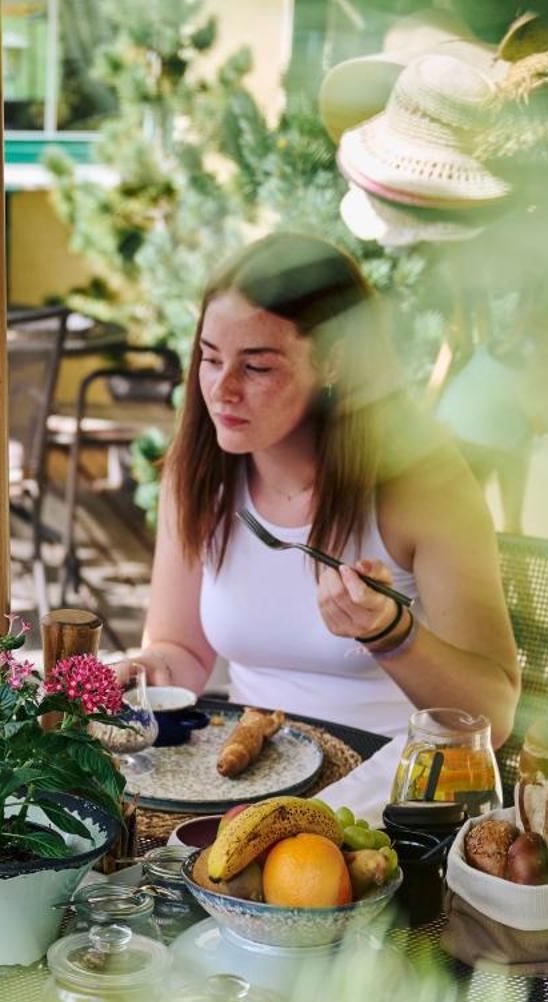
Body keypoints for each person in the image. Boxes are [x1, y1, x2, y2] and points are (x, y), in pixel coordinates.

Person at [118, 233, 519, 742]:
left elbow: (494, 717)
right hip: (249, 774)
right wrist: (143, 674)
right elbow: (183, 651)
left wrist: (390, 633)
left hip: (391, 790)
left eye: (257, 366)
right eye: (211, 358)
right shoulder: (199, 474)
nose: (222, 390)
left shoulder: (421, 484)